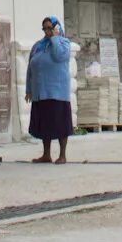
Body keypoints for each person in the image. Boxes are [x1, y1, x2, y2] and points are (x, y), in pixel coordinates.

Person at [26, 15, 74, 163]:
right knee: (44, 123)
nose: (47, 31)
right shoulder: (38, 46)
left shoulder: (63, 43)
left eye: (50, 28)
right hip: (41, 92)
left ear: (56, 28)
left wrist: (55, 38)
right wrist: (29, 89)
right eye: (44, 28)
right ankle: (46, 154)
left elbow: (59, 56)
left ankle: (62, 155)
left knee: (60, 124)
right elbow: (30, 68)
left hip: (57, 92)